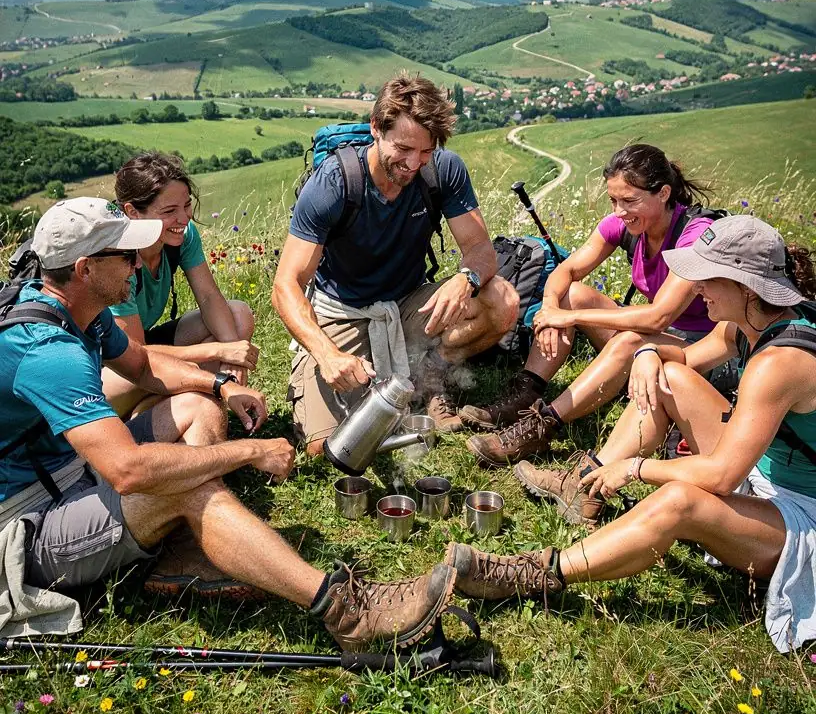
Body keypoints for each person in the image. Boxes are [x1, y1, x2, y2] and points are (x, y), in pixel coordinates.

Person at [0, 197, 455, 647]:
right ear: (84, 269)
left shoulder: (76, 311)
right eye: (123, 255)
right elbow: (128, 471)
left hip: (67, 472)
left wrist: (221, 387)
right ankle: (347, 611)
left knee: (198, 407)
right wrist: (251, 450)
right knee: (183, 485)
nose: (136, 265)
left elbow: (141, 365)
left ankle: (189, 548)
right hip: (23, 522)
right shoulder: (49, 353)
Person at [443, 215, 816, 654]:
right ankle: (587, 483)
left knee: (680, 500)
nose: (696, 287)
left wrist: (637, 468)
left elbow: (719, 476)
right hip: (766, 478)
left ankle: (538, 572)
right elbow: (689, 357)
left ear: (746, 286)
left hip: (802, 516)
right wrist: (649, 352)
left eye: (707, 278)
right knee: (670, 378)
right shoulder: (744, 324)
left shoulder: (782, 362)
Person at [272, 74, 519, 452]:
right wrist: (326, 355)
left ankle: (430, 373)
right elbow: (286, 284)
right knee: (324, 446)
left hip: (409, 303)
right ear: (376, 129)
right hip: (342, 311)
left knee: (501, 300)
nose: (412, 163)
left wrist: (466, 279)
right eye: (403, 148)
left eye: (425, 152)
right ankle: (382, 376)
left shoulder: (443, 170)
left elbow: (480, 249)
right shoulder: (334, 184)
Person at [461, 144, 717, 483]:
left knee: (628, 340)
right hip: (660, 337)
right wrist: (552, 309)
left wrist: (572, 319)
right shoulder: (625, 225)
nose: (620, 211)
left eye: (630, 200)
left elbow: (659, 317)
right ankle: (524, 392)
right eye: (614, 200)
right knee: (574, 295)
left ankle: (543, 426)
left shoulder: (693, 235)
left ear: (664, 193)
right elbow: (565, 273)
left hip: (707, 350)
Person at [101, 152, 258, 419]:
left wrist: (234, 355)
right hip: (105, 370)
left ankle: (184, 407)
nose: (184, 219)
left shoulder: (182, 235)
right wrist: (219, 350)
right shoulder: (116, 258)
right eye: (169, 211)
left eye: (186, 206)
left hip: (143, 348)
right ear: (132, 212)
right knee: (220, 342)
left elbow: (208, 297)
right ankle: (156, 416)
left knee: (237, 314)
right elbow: (133, 352)